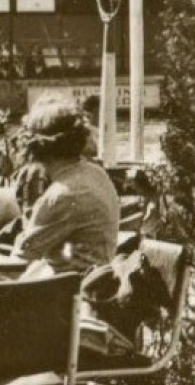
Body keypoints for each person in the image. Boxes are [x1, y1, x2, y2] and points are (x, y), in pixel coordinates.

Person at [12, 98, 120, 273]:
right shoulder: (95, 173)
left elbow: (21, 258)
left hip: (63, 292)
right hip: (94, 282)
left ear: (35, 147)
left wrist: (28, 208)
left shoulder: (62, 195)